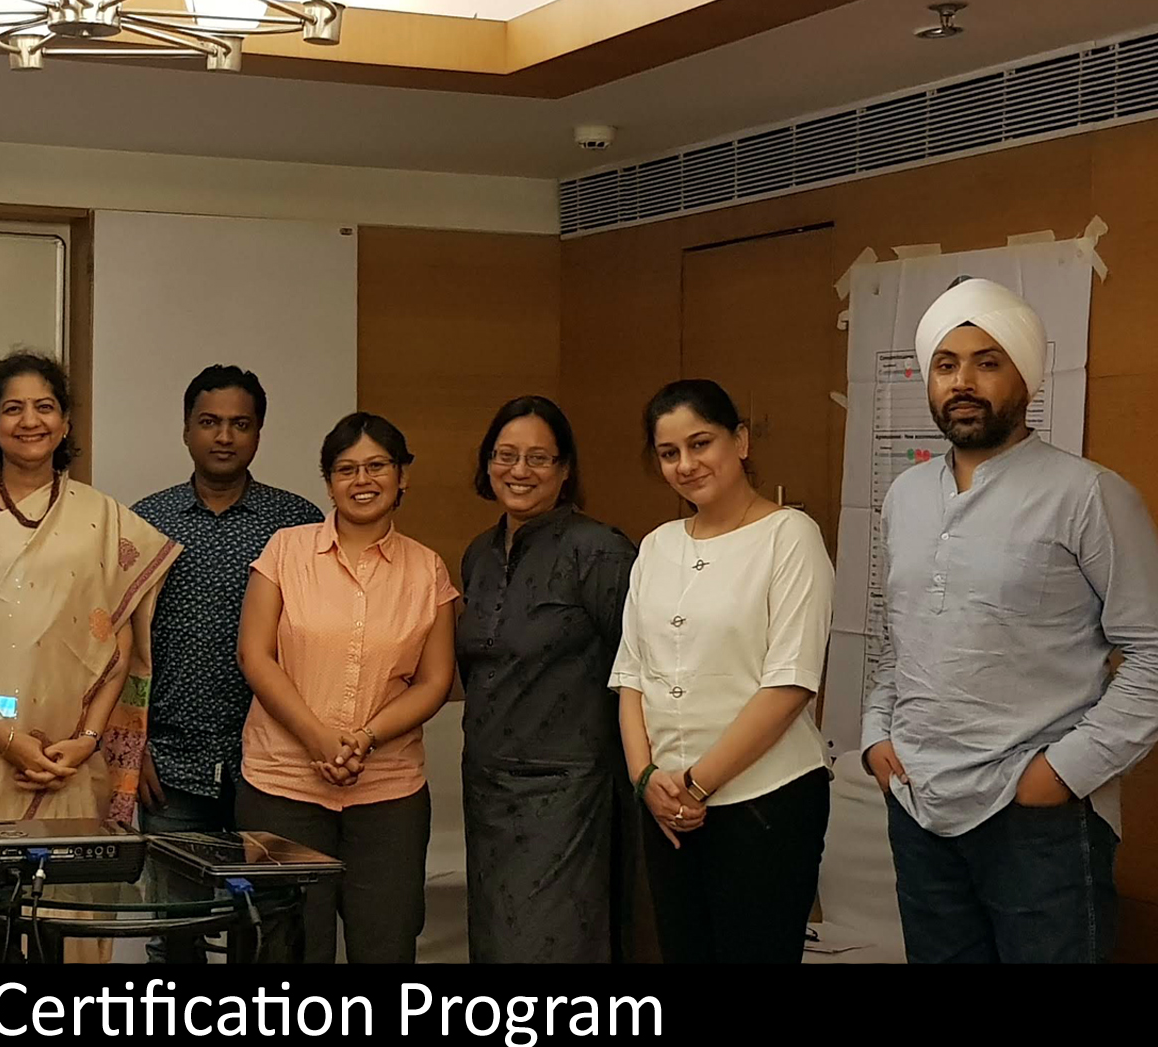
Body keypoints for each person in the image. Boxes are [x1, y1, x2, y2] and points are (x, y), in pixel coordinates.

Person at [861, 277, 1158, 963]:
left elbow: (1152, 652)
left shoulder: (1089, 495)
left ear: (1026, 376)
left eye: (987, 362)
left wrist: (1064, 772)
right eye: (946, 364)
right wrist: (877, 733)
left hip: (1038, 821)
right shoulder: (905, 496)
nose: (962, 382)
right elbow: (897, 636)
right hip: (919, 805)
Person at [0, 352, 180, 918]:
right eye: (13, 409)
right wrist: (7, 739)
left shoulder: (100, 517)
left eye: (44, 407)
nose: (30, 421)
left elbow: (116, 642)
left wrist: (88, 738)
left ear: (64, 424)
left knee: (68, 902)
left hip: (69, 750)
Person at [612, 380, 833, 965]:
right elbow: (630, 674)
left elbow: (790, 683)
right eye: (669, 453)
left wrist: (695, 785)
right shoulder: (656, 546)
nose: (686, 465)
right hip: (666, 804)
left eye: (700, 443)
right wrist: (645, 779)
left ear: (740, 441)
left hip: (766, 801)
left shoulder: (790, 536)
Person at [236, 412, 458, 964]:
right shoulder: (285, 550)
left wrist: (364, 738)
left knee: (386, 946)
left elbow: (435, 681)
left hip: (388, 794)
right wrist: (318, 738)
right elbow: (254, 655)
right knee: (284, 949)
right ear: (329, 481)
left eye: (377, 466)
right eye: (346, 469)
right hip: (282, 786)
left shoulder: (427, 569)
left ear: (402, 476)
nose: (362, 480)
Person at [458, 396, 635, 964]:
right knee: (493, 943)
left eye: (538, 458)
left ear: (564, 469)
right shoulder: (479, 554)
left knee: (547, 947)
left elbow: (641, 670)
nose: (520, 470)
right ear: (487, 463)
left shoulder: (599, 551)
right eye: (505, 455)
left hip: (568, 791)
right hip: (486, 787)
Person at [134, 366, 321, 835]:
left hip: (278, 765)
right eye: (209, 422)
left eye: (240, 424)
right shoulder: (145, 523)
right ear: (186, 430)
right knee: (175, 887)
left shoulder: (298, 524)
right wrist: (131, 745)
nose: (224, 436)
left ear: (258, 433)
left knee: (276, 886)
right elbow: (120, 647)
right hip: (171, 766)